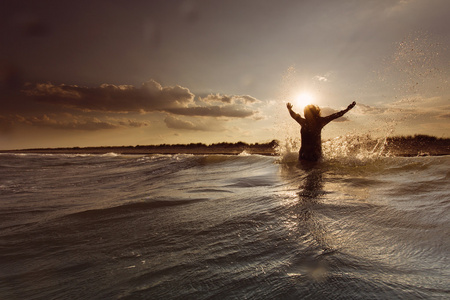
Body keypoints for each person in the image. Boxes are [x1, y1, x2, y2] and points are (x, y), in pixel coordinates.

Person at [286, 101, 356, 161]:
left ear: (314, 113)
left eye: (309, 113)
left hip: (315, 155)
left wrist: (347, 109)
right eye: (306, 113)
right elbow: (293, 115)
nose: (307, 114)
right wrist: (289, 109)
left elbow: (335, 115)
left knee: (314, 173)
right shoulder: (303, 122)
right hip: (303, 154)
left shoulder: (320, 122)